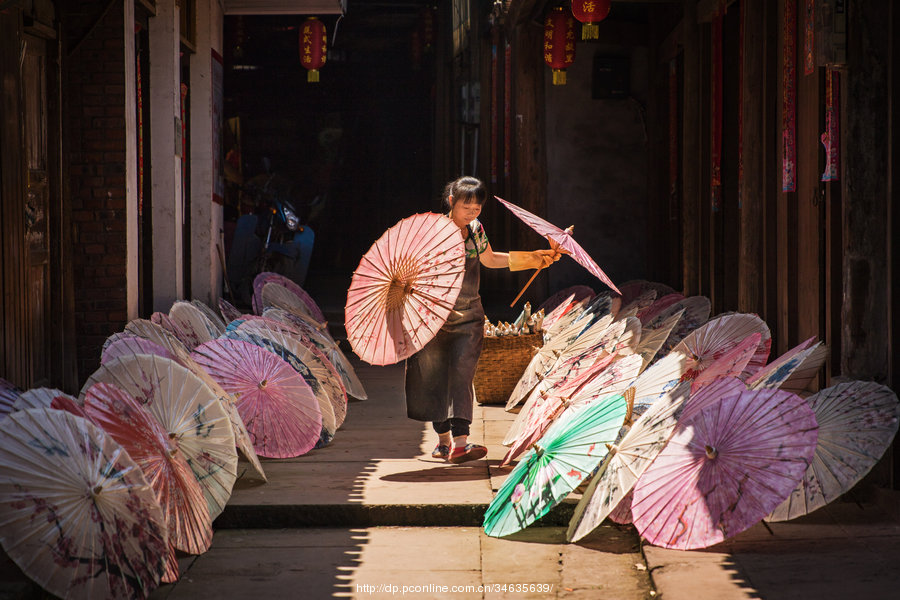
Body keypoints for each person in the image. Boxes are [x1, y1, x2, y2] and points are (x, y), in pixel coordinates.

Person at [405, 176, 561, 464]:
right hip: (431, 318)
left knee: (462, 376)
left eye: (477, 207)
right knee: (434, 379)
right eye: (467, 206)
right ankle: (443, 442)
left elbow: (490, 260)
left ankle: (461, 444)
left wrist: (534, 259)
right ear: (451, 202)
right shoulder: (430, 232)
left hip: (469, 317)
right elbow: (410, 270)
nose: (472, 213)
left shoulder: (476, 231)